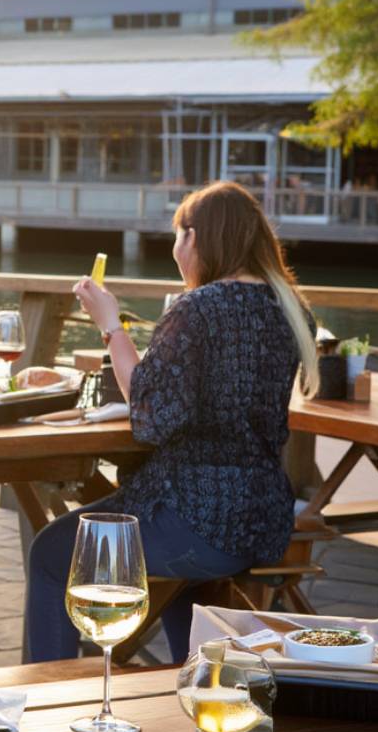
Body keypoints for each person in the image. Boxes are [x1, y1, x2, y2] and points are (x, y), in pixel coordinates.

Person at [24, 181, 320, 664]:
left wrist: (110, 324)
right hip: (263, 520)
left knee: (51, 555)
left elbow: (150, 415)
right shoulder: (291, 310)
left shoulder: (197, 308)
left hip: (197, 523)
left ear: (196, 238)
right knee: (187, 587)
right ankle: (195, 683)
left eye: (179, 235)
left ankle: (51, 696)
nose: (176, 250)